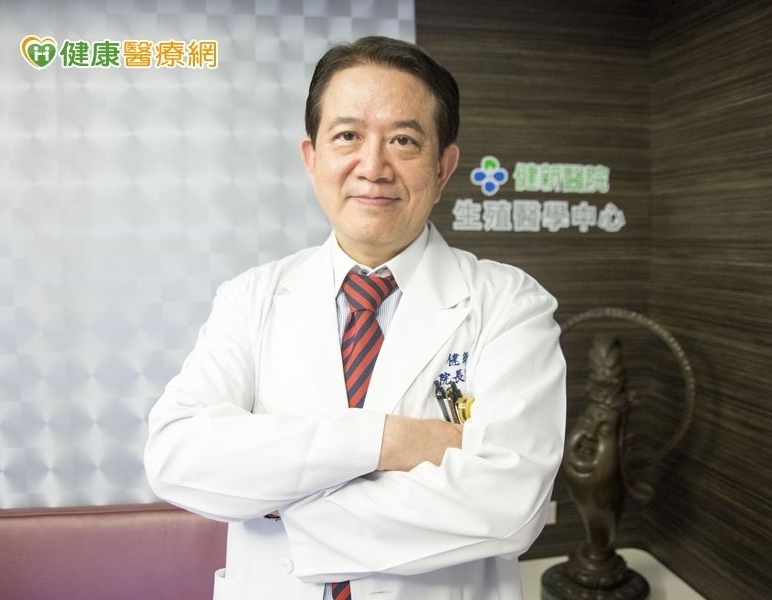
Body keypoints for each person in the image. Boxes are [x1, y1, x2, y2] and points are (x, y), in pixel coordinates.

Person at [144, 35, 566, 600]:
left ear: (444, 167)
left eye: (404, 141)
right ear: (312, 158)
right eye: (347, 136)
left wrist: (278, 501)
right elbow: (177, 456)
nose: (373, 167)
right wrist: (388, 440)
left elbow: (509, 506)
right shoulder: (250, 297)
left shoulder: (510, 303)